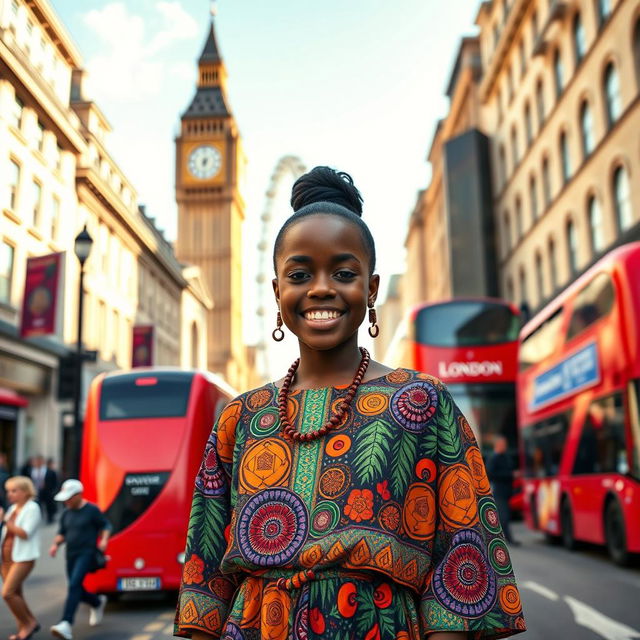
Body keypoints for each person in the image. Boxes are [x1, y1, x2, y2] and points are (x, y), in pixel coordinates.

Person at [174, 167, 525, 639]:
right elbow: (204, 578)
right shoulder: (239, 418)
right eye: (300, 274)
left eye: (343, 272)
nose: (321, 287)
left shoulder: (421, 402)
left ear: (372, 289)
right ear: (278, 293)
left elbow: (461, 567)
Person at [49, 479, 110, 640]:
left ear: (78, 495)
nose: (66, 501)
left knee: (75, 585)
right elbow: (62, 532)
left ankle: (66, 623)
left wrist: (103, 540)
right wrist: (55, 544)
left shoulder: (92, 510)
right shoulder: (66, 513)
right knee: (76, 588)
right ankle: (97, 602)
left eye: (69, 498)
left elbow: (105, 526)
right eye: (65, 499)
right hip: (71, 554)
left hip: (87, 553)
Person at [0, 476, 42, 640]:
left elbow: (25, 533)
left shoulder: (32, 508)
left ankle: (29, 623)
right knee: (17, 594)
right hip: (6, 557)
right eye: (8, 491)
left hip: (23, 557)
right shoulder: (12, 509)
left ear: (25, 492)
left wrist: (5, 521)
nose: (9, 494)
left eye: (14, 490)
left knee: (8, 593)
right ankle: (24, 629)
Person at [486, 436, 519, 546]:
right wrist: (510, 474)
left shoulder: (506, 457)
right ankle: (507, 539)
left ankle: (504, 539)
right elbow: (491, 474)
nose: (505, 446)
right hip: (499, 492)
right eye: (502, 444)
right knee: (504, 517)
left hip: (507, 491)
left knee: (504, 516)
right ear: (497, 445)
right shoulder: (493, 458)